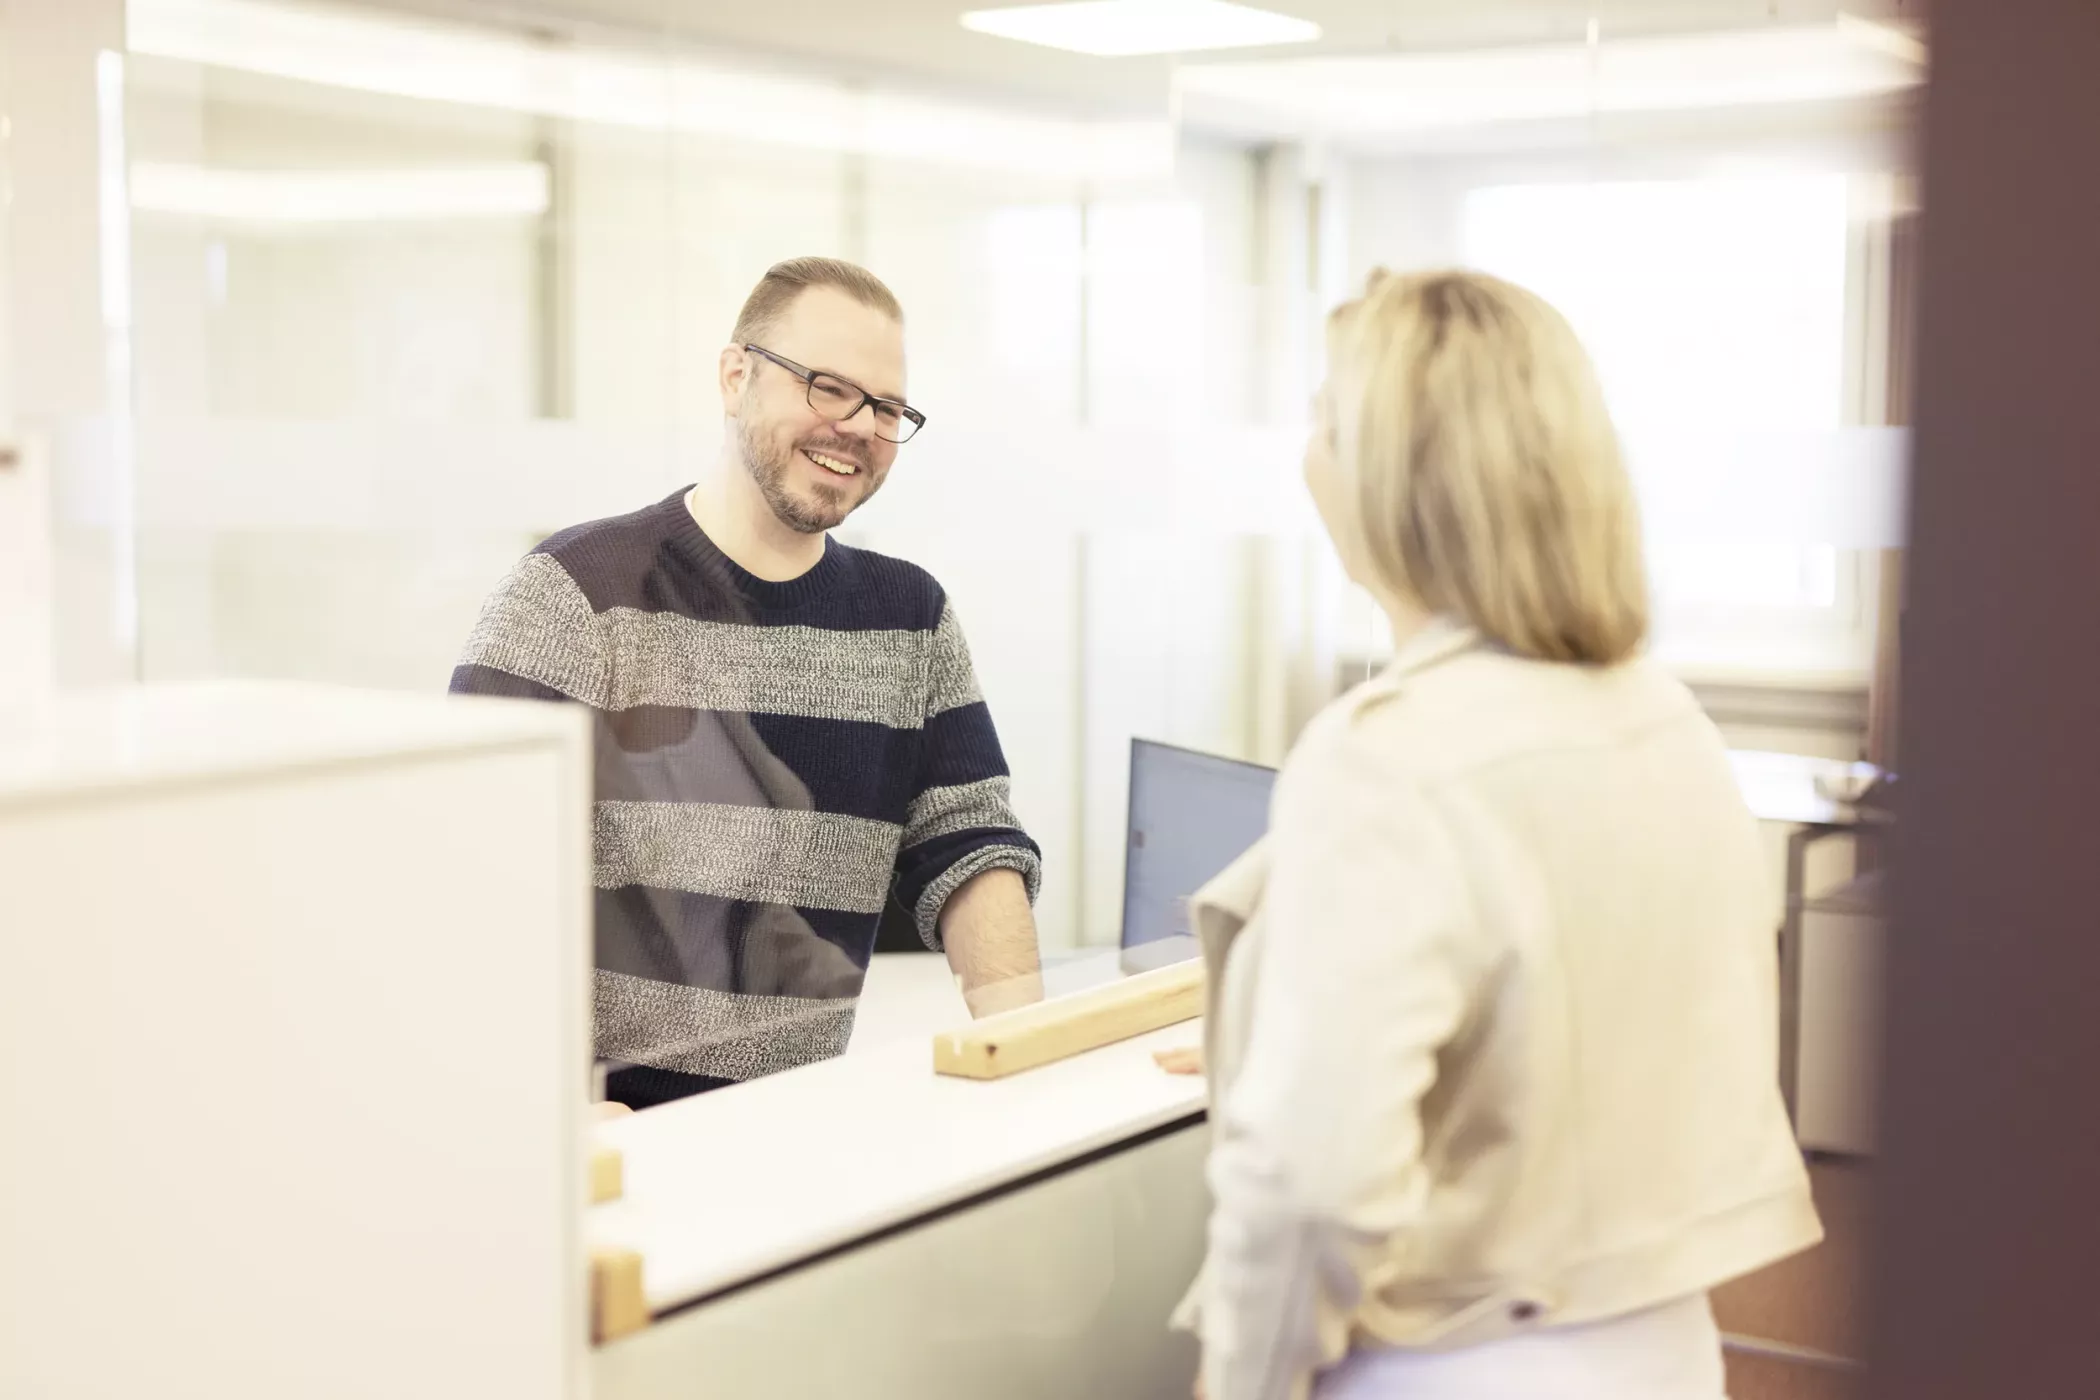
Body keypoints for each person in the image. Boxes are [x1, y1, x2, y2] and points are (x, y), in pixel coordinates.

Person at [1171, 270, 1823, 1399]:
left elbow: (1312, 1182)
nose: (1307, 449)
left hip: (1453, 1359)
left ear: (1390, 472)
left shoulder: (1386, 754)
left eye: (1327, 416)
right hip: (1666, 1350)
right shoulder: (1663, 719)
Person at [451, 256, 1042, 1109]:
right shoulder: (576, 593)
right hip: (607, 1140)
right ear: (736, 377)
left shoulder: (908, 618)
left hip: (790, 1131)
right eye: (827, 387)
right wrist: (554, 1107)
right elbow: (467, 877)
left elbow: (971, 843)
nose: (857, 427)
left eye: (884, 407)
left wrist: (1022, 1044)